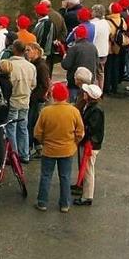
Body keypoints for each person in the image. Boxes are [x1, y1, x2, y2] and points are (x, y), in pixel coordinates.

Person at [33, 82, 84, 212]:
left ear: (53, 96)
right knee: (65, 177)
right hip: (67, 149)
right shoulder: (74, 111)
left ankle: (42, 202)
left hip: (49, 149)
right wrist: (74, 143)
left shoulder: (46, 112)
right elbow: (80, 133)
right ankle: (65, 204)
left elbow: (37, 133)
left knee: (46, 175)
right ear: (66, 96)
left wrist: (44, 142)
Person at [74, 83, 104, 206]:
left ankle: (87, 196)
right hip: (90, 143)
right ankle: (82, 188)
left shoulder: (95, 110)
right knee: (86, 168)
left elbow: (90, 128)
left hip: (90, 144)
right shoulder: (92, 107)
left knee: (88, 169)